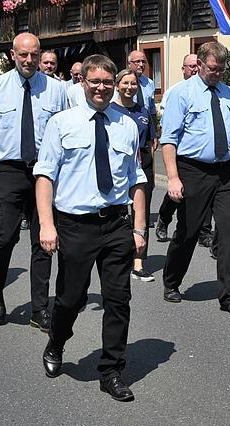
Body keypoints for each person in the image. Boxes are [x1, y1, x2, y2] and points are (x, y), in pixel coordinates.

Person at [35, 54, 146, 402]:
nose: (101, 88)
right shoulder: (62, 123)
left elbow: (136, 179)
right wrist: (46, 225)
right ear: (83, 82)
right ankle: (56, 342)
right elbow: (45, 175)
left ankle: (111, 370)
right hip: (74, 225)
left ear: (115, 84)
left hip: (115, 223)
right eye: (95, 81)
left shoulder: (126, 124)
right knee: (71, 298)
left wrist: (139, 229)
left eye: (107, 82)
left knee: (118, 299)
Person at [0, 32, 66, 327]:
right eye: (23, 54)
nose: (29, 60)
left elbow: (66, 134)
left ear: (40, 56)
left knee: (45, 240)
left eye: (34, 55)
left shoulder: (56, 90)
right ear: (12, 55)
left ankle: (39, 308)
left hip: (43, 170)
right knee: (5, 236)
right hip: (6, 170)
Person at [159, 41, 230, 316]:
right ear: (199, 64)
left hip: (226, 173)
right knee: (188, 230)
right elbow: (169, 140)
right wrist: (173, 178)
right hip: (193, 171)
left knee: (229, 233)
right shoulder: (181, 94)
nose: (217, 74)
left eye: (221, 70)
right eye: (212, 69)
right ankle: (172, 281)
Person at [154, 53, 213, 246]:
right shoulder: (175, 91)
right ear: (183, 69)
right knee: (178, 194)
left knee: (204, 194)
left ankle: (204, 232)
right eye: (190, 66)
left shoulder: (211, 91)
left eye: (196, 65)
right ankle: (164, 217)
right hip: (180, 153)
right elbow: (167, 125)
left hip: (200, 156)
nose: (194, 69)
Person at [110, 69, 157, 281]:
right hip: (117, 168)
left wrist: (152, 170)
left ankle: (139, 260)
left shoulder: (144, 112)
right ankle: (118, 255)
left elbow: (150, 143)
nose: (130, 87)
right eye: (125, 83)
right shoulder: (110, 110)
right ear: (117, 85)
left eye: (134, 84)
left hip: (142, 167)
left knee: (141, 214)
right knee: (119, 213)